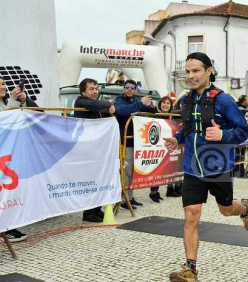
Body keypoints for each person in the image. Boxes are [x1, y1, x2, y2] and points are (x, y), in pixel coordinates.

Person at [164, 52, 248, 282]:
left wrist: (223, 134)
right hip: (192, 168)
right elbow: (188, 127)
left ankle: (244, 208)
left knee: (226, 210)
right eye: (188, 71)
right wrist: (177, 138)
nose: (191, 76)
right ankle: (190, 268)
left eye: (196, 71)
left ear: (208, 71)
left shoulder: (224, 100)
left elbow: (243, 131)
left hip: (218, 167)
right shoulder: (185, 100)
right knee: (191, 215)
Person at [0, 73, 39, 242]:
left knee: (13, 191)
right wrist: (13, 101)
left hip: (15, 152)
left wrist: (23, 100)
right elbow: (5, 120)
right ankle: (5, 229)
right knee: (3, 192)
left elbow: (34, 112)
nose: (3, 87)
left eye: (3, 83)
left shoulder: (8, 102)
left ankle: (11, 225)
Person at [74, 78, 116, 222]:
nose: (95, 91)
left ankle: (96, 209)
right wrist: (109, 104)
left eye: (96, 88)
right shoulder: (81, 101)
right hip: (86, 149)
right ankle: (88, 213)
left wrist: (110, 110)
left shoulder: (96, 106)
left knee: (98, 179)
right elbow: (97, 104)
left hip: (97, 149)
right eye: (91, 89)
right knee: (90, 180)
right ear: (83, 91)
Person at [115, 79, 156, 210]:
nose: (129, 90)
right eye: (127, 87)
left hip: (136, 141)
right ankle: (123, 199)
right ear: (123, 89)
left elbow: (150, 112)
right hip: (125, 142)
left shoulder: (135, 101)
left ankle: (130, 197)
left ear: (135, 90)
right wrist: (141, 103)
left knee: (132, 171)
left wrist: (153, 107)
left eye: (132, 88)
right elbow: (122, 110)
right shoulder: (120, 99)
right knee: (126, 171)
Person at [150, 96, 183, 201]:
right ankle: (153, 191)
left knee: (172, 166)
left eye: (168, 103)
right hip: (158, 146)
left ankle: (171, 188)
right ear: (160, 104)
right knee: (158, 168)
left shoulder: (173, 116)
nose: (165, 105)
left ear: (171, 106)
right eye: (163, 103)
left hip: (171, 145)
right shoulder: (156, 115)